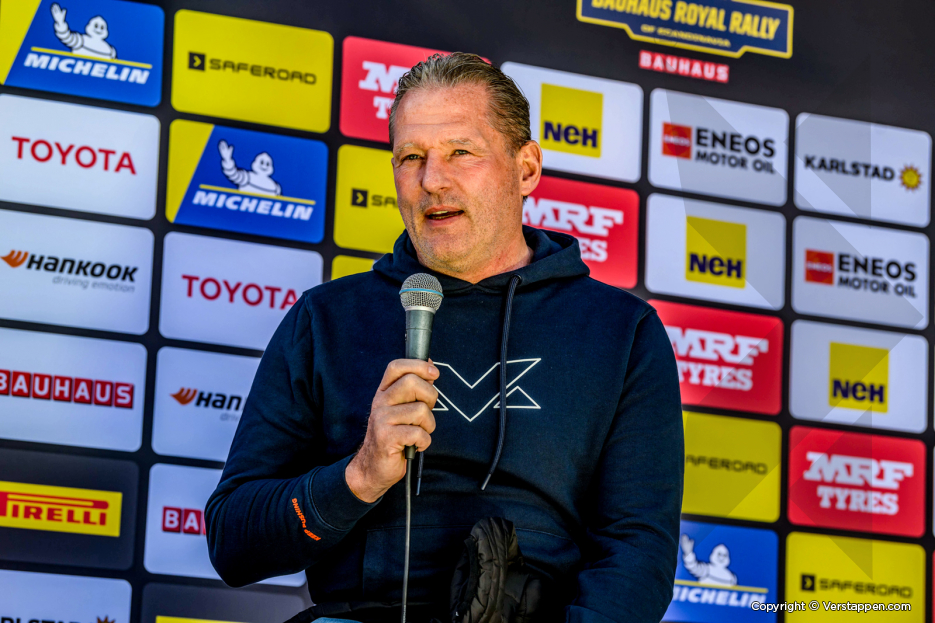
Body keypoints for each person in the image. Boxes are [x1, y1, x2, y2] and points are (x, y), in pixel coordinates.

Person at [206, 53, 684, 623]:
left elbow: (637, 552)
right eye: (412, 157)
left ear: (526, 168)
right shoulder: (325, 318)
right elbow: (233, 542)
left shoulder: (621, 331)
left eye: (461, 152)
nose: (432, 181)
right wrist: (359, 476)